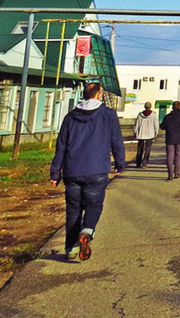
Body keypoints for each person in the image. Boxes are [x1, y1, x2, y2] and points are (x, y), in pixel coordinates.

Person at [49, 82, 126, 261]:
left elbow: (61, 146)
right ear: (99, 94)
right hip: (96, 169)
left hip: (72, 170)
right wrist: (119, 163)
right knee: (94, 205)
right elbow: (116, 140)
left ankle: (71, 248)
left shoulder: (70, 116)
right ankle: (87, 230)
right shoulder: (108, 115)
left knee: (73, 209)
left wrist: (55, 173)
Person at [161, 105, 180, 180]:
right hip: (179, 138)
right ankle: (177, 172)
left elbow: (162, 127)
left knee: (170, 156)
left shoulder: (167, 117)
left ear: (172, 107)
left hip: (169, 138)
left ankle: (170, 174)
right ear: (179, 107)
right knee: (178, 155)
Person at [133, 102, 158, 168]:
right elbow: (156, 124)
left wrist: (135, 132)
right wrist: (156, 132)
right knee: (147, 149)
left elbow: (137, 124)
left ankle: (138, 163)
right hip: (150, 134)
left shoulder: (140, 115)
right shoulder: (153, 115)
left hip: (141, 134)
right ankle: (145, 163)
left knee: (140, 149)